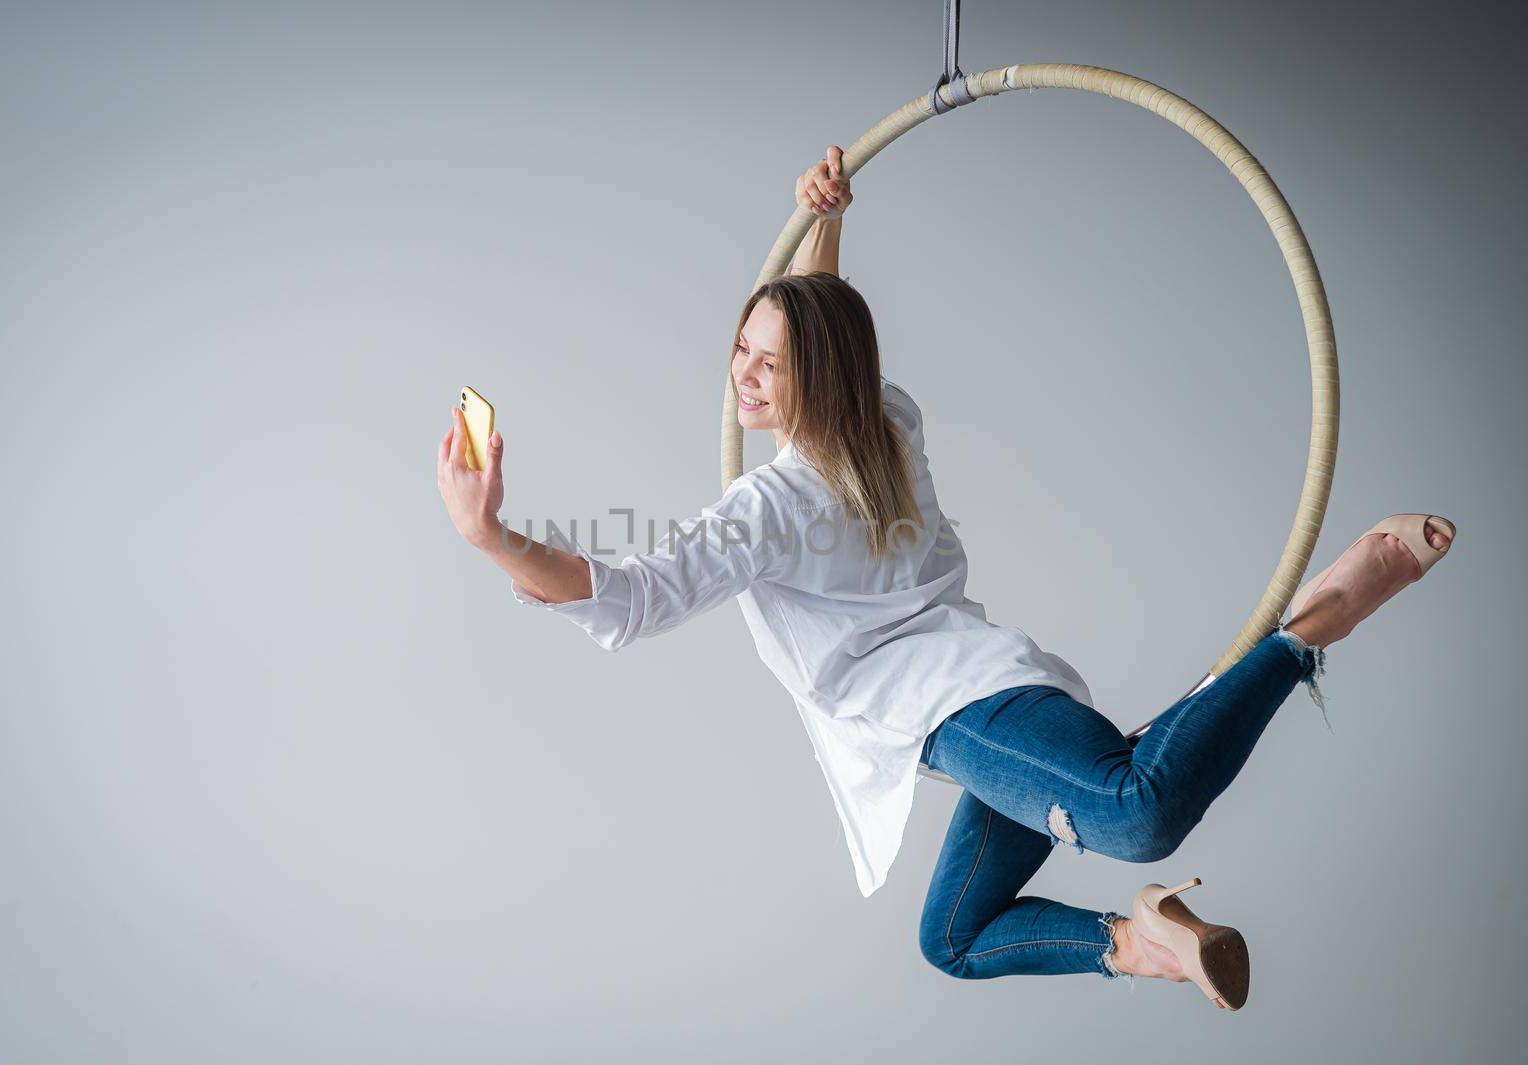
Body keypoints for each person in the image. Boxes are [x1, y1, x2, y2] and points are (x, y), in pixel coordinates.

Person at [434, 146, 1456, 1009]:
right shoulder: (885, 422)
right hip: (970, 712)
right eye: (738, 350)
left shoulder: (772, 504)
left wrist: (493, 538)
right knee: (954, 940)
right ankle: (1142, 942)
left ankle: (1311, 625)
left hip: (962, 709)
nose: (741, 375)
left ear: (815, 377)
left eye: (765, 363)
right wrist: (820, 222)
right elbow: (828, 336)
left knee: (1138, 814)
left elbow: (633, 597)